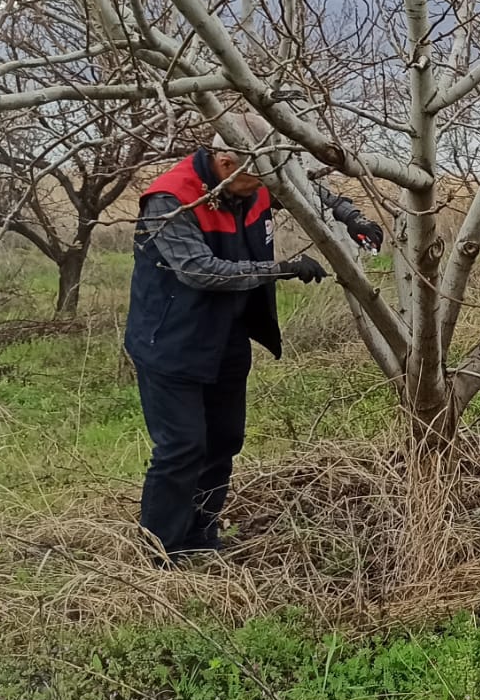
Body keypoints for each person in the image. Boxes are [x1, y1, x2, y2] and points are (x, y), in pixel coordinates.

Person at [126, 113, 384, 564]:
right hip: (169, 341)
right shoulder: (171, 198)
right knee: (182, 446)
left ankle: (201, 537)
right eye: (258, 178)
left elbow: (309, 193)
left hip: (227, 335)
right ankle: (161, 550)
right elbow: (200, 271)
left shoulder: (257, 176)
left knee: (224, 440)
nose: (265, 187)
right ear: (226, 162)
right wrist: (280, 269)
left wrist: (352, 218)